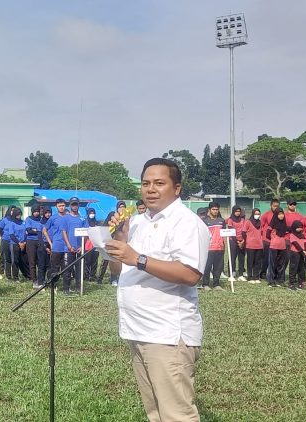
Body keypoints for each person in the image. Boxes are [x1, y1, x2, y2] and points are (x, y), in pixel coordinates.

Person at [105, 157, 209, 422]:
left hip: (167, 334)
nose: (151, 189)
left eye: (159, 183)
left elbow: (190, 273)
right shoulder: (137, 222)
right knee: (155, 413)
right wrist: (121, 238)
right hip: (138, 329)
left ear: (177, 188)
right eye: (145, 183)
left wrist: (138, 258)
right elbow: (117, 271)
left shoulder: (186, 222)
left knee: (177, 415)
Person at [61, 197, 85, 295]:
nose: (75, 206)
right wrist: (69, 245)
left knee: (79, 269)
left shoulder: (82, 218)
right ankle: (66, 288)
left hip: (80, 249)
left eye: (76, 204)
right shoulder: (66, 218)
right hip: (69, 248)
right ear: (70, 205)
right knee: (67, 269)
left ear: (79, 205)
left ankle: (79, 287)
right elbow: (64, 232)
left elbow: (86, 232)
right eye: (73, 204)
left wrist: (81, 246)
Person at [43, 199, 68, 287]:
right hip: (57, 246)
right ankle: (52, 285)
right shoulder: (53, 218)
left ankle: (66, 287)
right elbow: (44, 230)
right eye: (59, 206)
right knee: (54, 268)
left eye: (63, 206)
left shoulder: (69, 217)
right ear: (56, 207)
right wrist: (50, 243)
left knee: (66, 268)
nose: (61, 207)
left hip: (67, 247)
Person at [201, 202, 226, 291]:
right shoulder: (204, 221)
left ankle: (216, 284)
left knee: (218, 267)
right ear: (209, 210)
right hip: (209, 248)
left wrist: (224, 245)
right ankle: (205, 284)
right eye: (213, 209)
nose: (215, 211)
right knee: (207, 266)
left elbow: (224, 233)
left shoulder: (222, 221)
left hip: (219, 247)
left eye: (217, 209)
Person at [3, 207, 28, 282]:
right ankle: (14, 277)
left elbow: (26, 232)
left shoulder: (23, 222)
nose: (19, 216)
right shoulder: (11, 223)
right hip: (14, 244)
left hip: (23, 243)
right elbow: (11, 235)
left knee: (22, 260)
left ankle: (25, 274)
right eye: (17, 215)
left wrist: (24, 242)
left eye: (20, 214)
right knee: (15, 260)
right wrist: (19, 243)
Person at [24, 206, 47, 288]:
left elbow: (43, 231)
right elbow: (28, 230)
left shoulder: (41, 220)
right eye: (35, 211)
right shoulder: (28, 219)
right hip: (31, 242)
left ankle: (41, 279)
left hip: (40, 242)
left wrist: (34, 230)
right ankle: (34, 280)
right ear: (32, 212)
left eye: (38, 211)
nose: (36, 213)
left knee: (40, 261)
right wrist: (37, 231)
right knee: (32, 261)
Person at [265, 208, 289, 288]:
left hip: (282, 246)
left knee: (281, 264)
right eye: (279, 214)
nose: (281, 216)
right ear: (276, 215)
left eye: (282, 214)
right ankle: (271, 281)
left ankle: (280, 280)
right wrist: (274, 239)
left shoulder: (284, 224)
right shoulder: (272, 224)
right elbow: (267, 234)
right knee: (272, 264)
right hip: (274, 246)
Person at [243, 208, 264, 283]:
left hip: (259, 245)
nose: (257, 215)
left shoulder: (260, 222)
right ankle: (250, 277)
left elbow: (261, 233)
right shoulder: (248, 222)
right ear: (252, 214)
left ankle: (256, 277)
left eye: (258, 214)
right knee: (250, 262)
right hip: (250, 245)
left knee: (258, 262)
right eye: (256, 214)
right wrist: (246, 241)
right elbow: (244, 232)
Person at [226, 205, 247, 281]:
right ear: (233, 211)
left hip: (242, 241)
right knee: (232, 257)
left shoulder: (243, 220)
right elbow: (232, 232)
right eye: (236, 211)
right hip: (233, 241)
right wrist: (238, 242)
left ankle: (241, 274)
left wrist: (243, 241)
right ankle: (232, 273)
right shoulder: (230, 220)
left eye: (239, 211)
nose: (238, 213)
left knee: (241, 258)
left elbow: (245, 231)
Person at [0, 205, 16, 280]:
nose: (13, 212)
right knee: (3, 256)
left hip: (14, 242)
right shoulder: (5, 219)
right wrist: (1, 234)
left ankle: (12, 274)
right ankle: (1, 272)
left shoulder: (17, 220)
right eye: (12, 210)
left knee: (13, 258)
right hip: (5, 240)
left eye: (14, 210)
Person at [287, 221, 306, 291]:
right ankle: (291, 284)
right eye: (298, 227)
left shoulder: (302, 235)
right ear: (294, 227)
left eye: (301, 227)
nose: (300, 229)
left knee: (301, 268)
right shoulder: (292, 235)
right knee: (293, 268)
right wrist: (303, 251)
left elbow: (305, 243)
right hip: (295, 253)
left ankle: (300, 283)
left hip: (302, 253)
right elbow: (296, 244)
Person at [83, 207, 100, 282]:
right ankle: (86, 275)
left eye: (93, 213)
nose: (92, 214)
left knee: (94, 261)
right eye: (90, 213)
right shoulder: (85, 222)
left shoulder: (97, 223)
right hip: (88, 244)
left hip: (95, 245)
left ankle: (92, 275)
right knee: (87, 261)